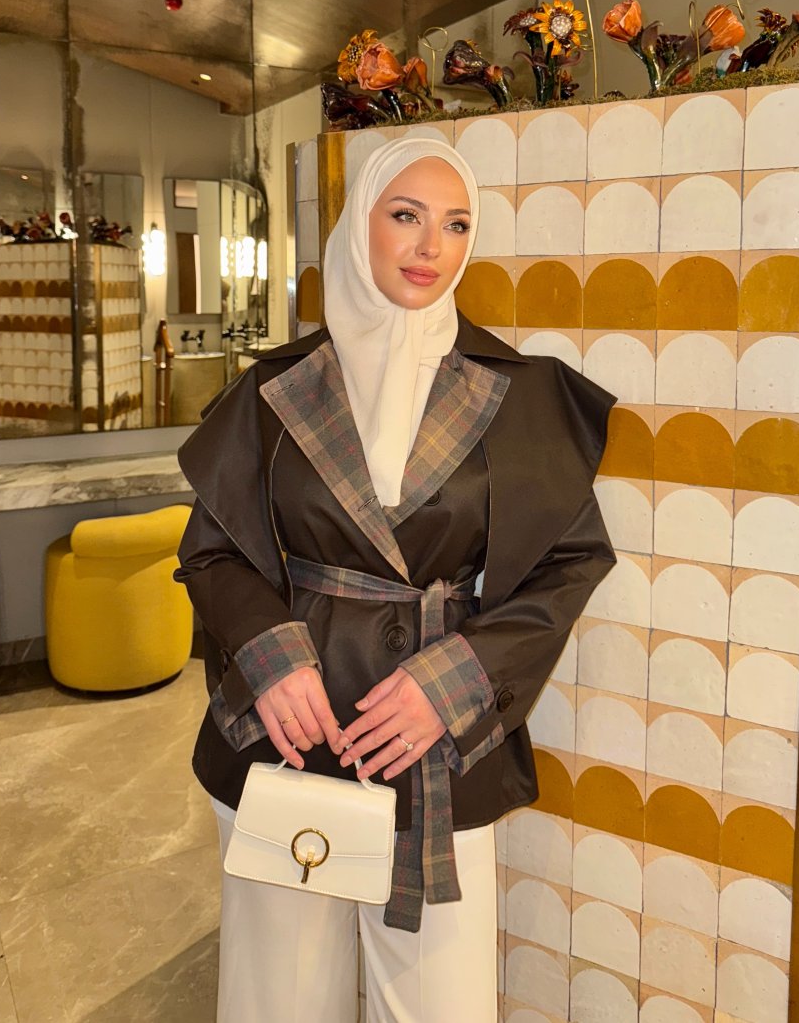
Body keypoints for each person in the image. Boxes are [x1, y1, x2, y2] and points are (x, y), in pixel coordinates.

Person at [174, 137, 616, 1023]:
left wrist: (456, 679)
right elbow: (212, 551)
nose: (430, 246)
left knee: (438, 1004)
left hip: (436, 746)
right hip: (290, 733)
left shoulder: (517, 392)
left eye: (456, 224)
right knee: (279, 1001)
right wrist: (270, 657)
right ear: (358, 225)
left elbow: (569, 561)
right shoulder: (274, 388)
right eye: (406, 215)